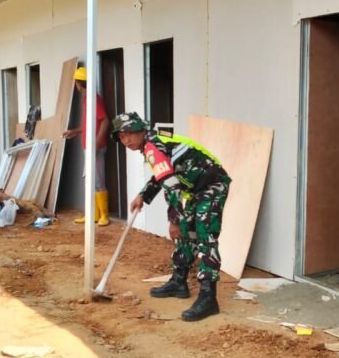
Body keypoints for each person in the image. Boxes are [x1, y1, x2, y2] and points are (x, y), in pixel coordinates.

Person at [111, 112, 231, 322]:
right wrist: (144, 194)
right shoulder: (153, 145)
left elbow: (172, 186)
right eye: (121, 136)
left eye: (130, 133)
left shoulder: (152, 147)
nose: (126, 140)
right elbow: (162, 175)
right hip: (196, 189)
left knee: (205, 235)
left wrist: (174, 221)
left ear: (141, 131)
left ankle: (208, 297)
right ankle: (179, 282)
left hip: (212, 184)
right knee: (187, 234)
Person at [62, 67, 111, 226]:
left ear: (78, 83)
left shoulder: (93, 99)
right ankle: (93, 215)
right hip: (88, 147)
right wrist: (75, 132)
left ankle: (104, 215)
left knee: (97, 180)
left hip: (94, 147)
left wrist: (97, 142)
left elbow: (105, 120)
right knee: (90, 180)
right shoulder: (86, 99)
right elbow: (90, 124)